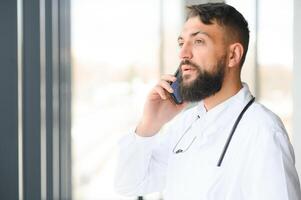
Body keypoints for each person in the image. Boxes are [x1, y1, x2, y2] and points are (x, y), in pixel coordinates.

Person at [114, 3, 301, 200]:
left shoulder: (264, 132)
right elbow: (129, 184)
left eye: (198, 41)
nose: (183, 54)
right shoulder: (184, 124)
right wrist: (149, 125)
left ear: (233, 55)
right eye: (181, 43)